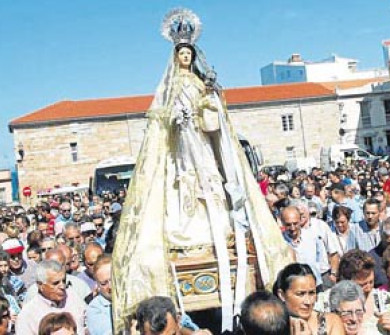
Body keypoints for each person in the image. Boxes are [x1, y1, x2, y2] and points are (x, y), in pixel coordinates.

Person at [111, 9, 294, 332]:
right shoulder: (168, 87)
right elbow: (160, 120)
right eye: (180, 53)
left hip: (203, 145)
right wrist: (176, 119)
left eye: (188, 53)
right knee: (184, 191)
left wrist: (210, 102)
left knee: (211, 184)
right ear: (175, 56)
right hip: (181, 147)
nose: (184, 57)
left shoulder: (200, 83)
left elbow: (215, 120)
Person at [272, 263, 345, 334]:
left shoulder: (331, 322)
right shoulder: (272, 327)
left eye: (311, 293)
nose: (308, 302)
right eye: (300, 294)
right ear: (282, 295)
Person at [16, 260, 85, 335]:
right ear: (40, 285)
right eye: (55, 283)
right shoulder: (28, 315)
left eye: (64, 281)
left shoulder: (72, 296)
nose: (62, 286)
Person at [281, 206, 330, 286]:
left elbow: (321, 259)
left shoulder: (313, 237)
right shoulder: (280, 241)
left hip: (314, 285)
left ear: (300, 220)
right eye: (288, 225)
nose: (292, 228)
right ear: (282, 223)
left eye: (295, 223)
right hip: (292, 287)